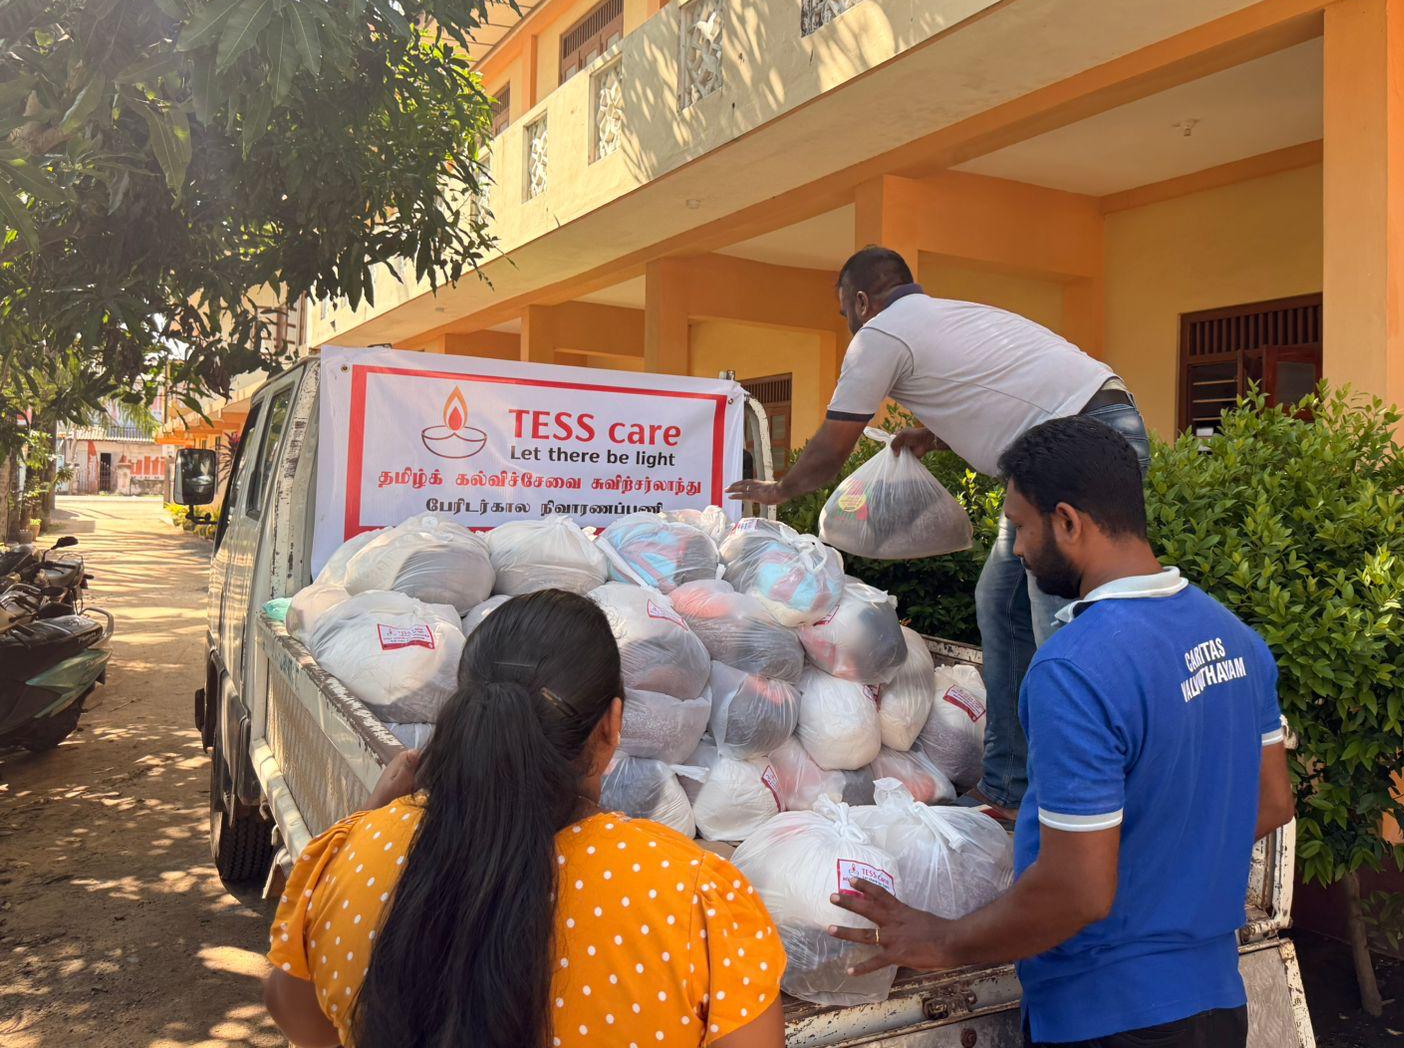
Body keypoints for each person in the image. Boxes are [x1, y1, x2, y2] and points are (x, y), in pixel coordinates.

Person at [824, 417, 1294, 1048]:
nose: (1016, 548)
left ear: (1069, 522)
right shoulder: (1236, 638)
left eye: (1021, 525)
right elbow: (1270, 801)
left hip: (1108, 1016)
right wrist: (1160, 862)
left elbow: (1078, 890)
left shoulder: (1077, 665)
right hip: (1216, 1002)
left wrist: (943, 939)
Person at [261, 589, 787, 1048]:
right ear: (611, 726)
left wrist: (373, 818)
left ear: (465, 711)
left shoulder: (349, 857)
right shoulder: (693, 898)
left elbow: (305, 1027)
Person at [729, 245, 1150, 815]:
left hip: (1077, 441)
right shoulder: (951, 316)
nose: (847, 324)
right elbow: (998, 395)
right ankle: (1008, 787)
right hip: (1088, 426)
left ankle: (1077, 808)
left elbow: (831, 449)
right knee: (1000, 602)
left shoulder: (881, 335)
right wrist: (933, 435)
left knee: (1060, 627)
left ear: (860, 300)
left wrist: (778, 491)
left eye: (844, 311)